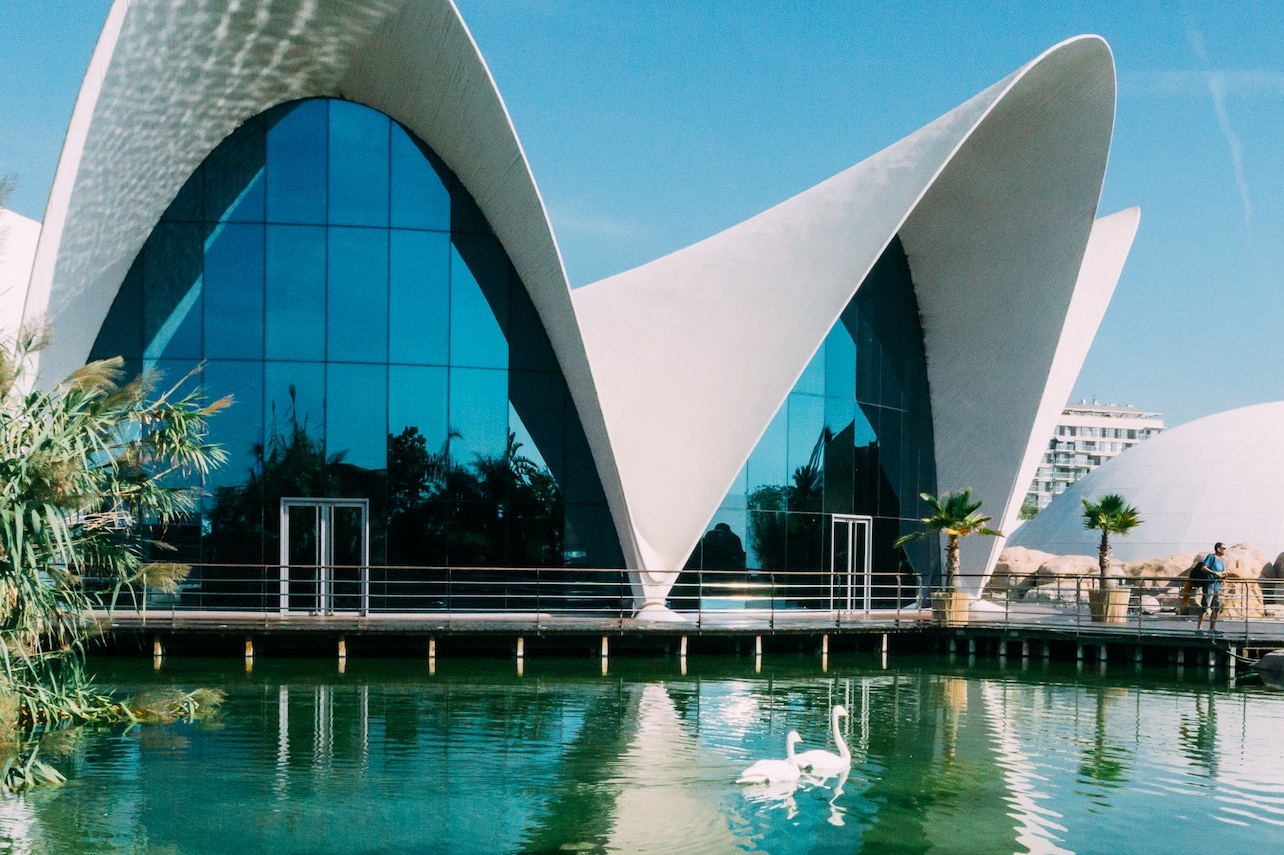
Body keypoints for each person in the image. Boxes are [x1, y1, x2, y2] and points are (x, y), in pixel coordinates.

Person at [1195, 542, 1227, 632]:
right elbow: (1203, 568)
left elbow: (1222, 571)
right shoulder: (1211, 557)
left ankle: (1212, 628)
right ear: (1218, 549)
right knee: (1205, 606)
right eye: (1223, 548)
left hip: (1217, 586)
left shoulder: (1221, 560)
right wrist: (1215, 573)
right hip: (1209, 585)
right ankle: (1199, 628)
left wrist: (1223, 574)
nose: (1225, 550)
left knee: (1216, 607)